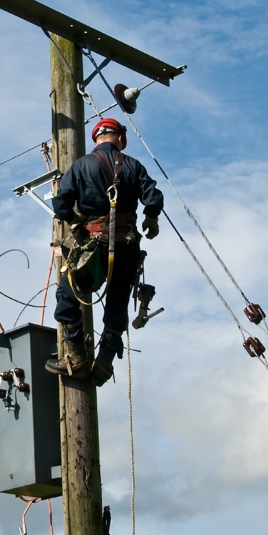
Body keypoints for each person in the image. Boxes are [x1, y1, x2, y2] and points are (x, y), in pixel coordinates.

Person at [45, 117, 163, 386]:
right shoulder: (133, 165)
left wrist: (75, 221)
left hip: (94, 247)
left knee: (68, 296)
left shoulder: (81, 166)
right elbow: (153, 197)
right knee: (118, 302)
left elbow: (61, 205)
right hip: (127, 246)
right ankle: (104, 362)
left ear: (96, 139)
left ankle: (75, 357)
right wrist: (151, 218)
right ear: (121, 139)